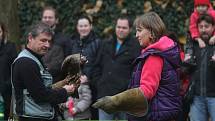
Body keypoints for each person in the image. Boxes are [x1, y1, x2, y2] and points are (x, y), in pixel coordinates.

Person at [93, 12, 182, 121]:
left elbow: (146, 91)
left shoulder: (154, 57)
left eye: (139, 30)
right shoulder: (163, 52)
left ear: (151, 33)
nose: (136, 35)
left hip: (155, 115)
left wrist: (115, 100)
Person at [11, 22, 76, 121]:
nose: (47, 45)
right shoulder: (26, 62)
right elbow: (40, 95)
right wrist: (64, 91)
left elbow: (42, 89)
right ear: (30, 38)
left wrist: (63, 84)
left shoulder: (34, 59)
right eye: (43, 40)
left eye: (49, 41)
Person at [92, 15, 141, 120]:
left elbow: (137, 71)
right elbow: (96, 66)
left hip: (124, 97)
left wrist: (128, 87)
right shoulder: (105, 44)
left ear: (130, 29)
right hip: (105, 95)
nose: (121, 30)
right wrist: (99, 83)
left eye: (124, 28)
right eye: (118, 27)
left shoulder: (135, 46)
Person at [65, 15, 101, 119]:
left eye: (86, 25)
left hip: (92, 85)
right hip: (75, 84)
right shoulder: (72, 43)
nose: (83, 28)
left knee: (92, 112)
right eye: (81, 26)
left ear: (90, 26)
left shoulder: (97, 43)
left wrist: (88, 78)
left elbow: (98, 64)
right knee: (75, 112)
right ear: (77, 27)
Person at [187, 14, 215, 121]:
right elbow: (185, 69)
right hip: (196, 96)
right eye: (201, 27)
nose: (203, 29)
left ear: (213, 27)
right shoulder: (193, 45)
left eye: (206, 26)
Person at [41, 6, 69, 83]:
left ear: (56, 20)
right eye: (45, 17)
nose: (47, 19)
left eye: (50, 17)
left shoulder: (64, 39)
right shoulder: (35, 37)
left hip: (57, 81)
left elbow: (67, 62)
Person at [0, 22, 17, 120]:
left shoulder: (10, 47)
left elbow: (15, 69)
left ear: (3, 33)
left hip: (6, 93)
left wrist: (7, 84)